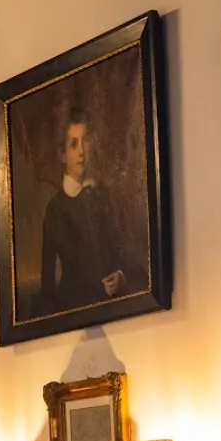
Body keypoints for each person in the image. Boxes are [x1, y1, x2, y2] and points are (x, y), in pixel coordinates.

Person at [36, 107, 140, 315]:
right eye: (73, 144)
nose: (81, 151)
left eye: (85, 141)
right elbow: (48, 280)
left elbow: (119, 248)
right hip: (75, 311)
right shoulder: (56, 208)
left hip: (113, 310)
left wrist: (120, 276)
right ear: (62, 155)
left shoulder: (102, 195)